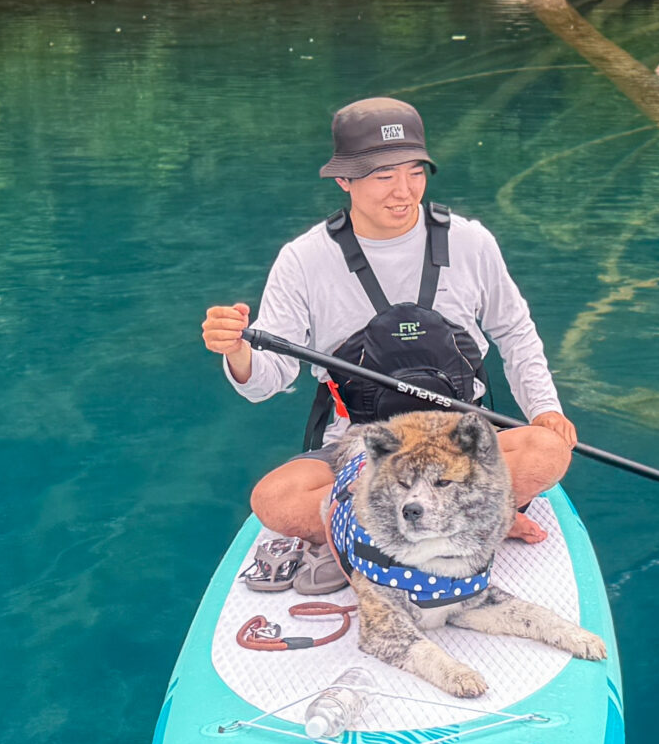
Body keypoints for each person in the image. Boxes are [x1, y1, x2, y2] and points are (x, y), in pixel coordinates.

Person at [201, 96, 577, 594]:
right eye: (382, 176)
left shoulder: (470, 241)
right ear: (344, 180)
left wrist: (545, 408)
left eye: (415, 172)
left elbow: (515, 331)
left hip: (459, 441)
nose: (403, 192)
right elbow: (268, 381)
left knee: (546, 451)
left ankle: (368, 539)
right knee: (274, 500)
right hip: (358, 449)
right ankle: (476, 520)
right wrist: (237, 351)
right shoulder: (303, 259)